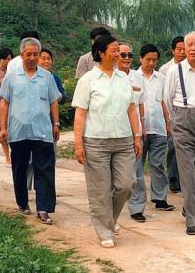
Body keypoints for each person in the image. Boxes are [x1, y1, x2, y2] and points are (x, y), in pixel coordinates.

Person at [72, 35, 142, 248]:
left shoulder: (123, 79)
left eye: (119, 51)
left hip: (123, 141)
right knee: (100, 190)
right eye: (113, 51)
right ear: (101, 53)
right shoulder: (88, 80)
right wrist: (78, 144)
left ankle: (109, 219)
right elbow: (80, 114)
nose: (118, 55)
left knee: (127, 184)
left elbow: (131, 109)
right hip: (96, 142)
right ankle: (105, 231)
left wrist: (137, 136)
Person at [0, 37, 61, 225]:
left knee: (45, 170)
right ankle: (23, 202)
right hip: (18, 131)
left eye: (36, 54)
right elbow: (4, 102)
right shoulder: (12, 77)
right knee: (20, 169)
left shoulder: (47, 77)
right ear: (22, 55)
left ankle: (43, 209)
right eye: (29, 54)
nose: (32, 57)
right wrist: (3, 128)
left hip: (42, 131)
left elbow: (53, 101)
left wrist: (56, 124)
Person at [164, 31, 195, 235]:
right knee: (186, 169)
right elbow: (167, 98)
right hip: (182, 117)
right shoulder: (175, 71)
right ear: (184, 49)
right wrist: (174, 120)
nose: (193, 48)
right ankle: (193, 219)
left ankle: (190, 205)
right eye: (189, 45)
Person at [128, 44, 175, 221]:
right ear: (140, 59)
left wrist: (168, 123)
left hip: (158, 128)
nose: (151, 63)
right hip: (139, 130)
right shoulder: (132, 77)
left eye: (154, 59)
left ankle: (160, 198)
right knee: (137, 167)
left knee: (157, 165)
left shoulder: (161, 78)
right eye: (148, 59)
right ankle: (137, 206)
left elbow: (163, 102)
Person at [116, 42, 149, 222]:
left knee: (137, 171)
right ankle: (112, 207)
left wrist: (142, 126)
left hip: (135, 129)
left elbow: (141, 102)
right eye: (123, 55)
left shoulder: (138, 76)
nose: (127, 58)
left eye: (129, 55)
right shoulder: (111, 76)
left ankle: (137, 208)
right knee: (118, 173)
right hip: (116, 130)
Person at [25, 48, 66, 191]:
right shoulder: (26, 77)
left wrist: (55, 95)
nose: (46, 61)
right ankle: (26, 189)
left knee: (48, 158)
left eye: (49, 58)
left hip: (48, 125)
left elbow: (62, 97)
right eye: (43, 58)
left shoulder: (54, 78)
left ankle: (43, 190)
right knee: (29, 160)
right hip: (30, 125)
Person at [159, 36, 186, 192]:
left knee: (183, 148)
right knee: (173, 147)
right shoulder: (166, 69)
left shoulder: (191, 68)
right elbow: (165, 96)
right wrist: (168, 119)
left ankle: (178, 178)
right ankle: (173, 178)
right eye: (179, 49)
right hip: (171, 114)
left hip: (186, 115)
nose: (182, 52)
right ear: (173, 50)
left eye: (185, 49)